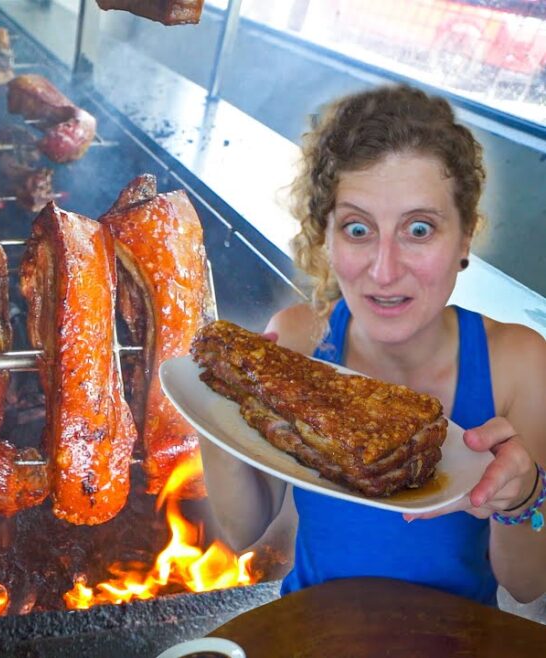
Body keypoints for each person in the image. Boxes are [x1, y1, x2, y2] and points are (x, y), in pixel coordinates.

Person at [200, 85, 546, 606]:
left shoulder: (519, 363)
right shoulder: (295, 338)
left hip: (455, 641)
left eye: (420, 229)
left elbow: (527, 583)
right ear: (328, 236)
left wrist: (522, 495)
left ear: (465, 238)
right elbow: (241, 529)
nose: (384, 271)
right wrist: (216, 405)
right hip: (309, 631)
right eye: (358, 228)